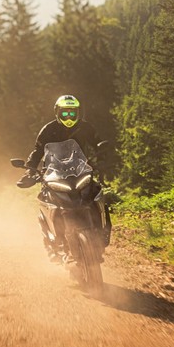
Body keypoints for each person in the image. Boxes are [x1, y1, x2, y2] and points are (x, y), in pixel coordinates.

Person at [18, 94, 111, 256]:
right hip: (54, 173)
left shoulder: (85, 127)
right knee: (46, 198)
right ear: (57, 113)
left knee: (96, 192)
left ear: (78, 113)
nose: (69, 116)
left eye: (72, 113)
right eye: (65, 113)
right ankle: (54, 241)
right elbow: (37, 151)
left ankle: (102, 230)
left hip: (80, 170)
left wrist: (101, 157)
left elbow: (97, 143)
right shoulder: (48, 129)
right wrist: (30, 169)